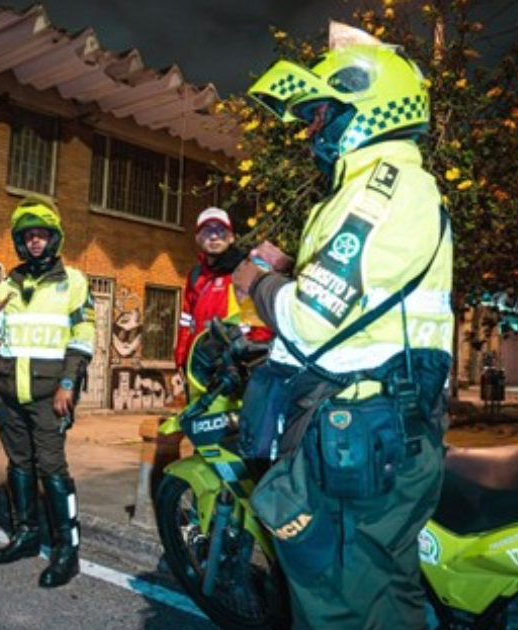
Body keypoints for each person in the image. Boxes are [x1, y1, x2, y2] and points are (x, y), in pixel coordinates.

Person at [236, 42, 454, 629]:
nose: (311, 130)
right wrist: (290, 273)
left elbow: (309, 321)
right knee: (381, 598)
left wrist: (256, 283)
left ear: (364, 105)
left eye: (318, 113)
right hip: (373, 431)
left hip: (359, 441)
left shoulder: (381, 188)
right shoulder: (384, 187)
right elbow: (356, 305)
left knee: (339, 607)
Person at [0, 197, 96, 588]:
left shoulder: (73, 280)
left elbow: (83, 335)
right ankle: (27, 535)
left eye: (41, 235)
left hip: (50, 394)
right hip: (8, 391)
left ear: (54, 238)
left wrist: (68, 384)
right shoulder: (10, 281)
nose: (35, 242)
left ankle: (67, 550)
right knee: (19, 465)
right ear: (20, 241)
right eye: (28, 236)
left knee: (52, 468)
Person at [174, 207, 273, 373]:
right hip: (198, 367)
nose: (214, 236)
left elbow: (261, 326)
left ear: (231, 237)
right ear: (198, 238)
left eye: (221, 230)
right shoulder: (195, 275)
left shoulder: (245, 272)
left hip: (233, 371)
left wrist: (248, 364)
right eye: (207, 231)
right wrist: (181, 360)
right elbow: (186, 321)